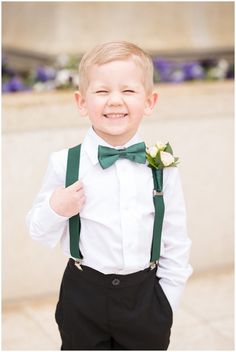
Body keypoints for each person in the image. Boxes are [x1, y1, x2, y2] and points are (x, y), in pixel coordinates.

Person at [26, 41, 192, 350]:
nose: (115, 101)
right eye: (102, 91)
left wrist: (167, 301)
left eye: (128, 91)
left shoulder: (162, 165)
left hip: (145, 296)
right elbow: (37, 230)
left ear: (150, 101)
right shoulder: (64, 163)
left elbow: (176, 238)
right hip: (83, 293)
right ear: (81, 102)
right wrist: (56, 208)